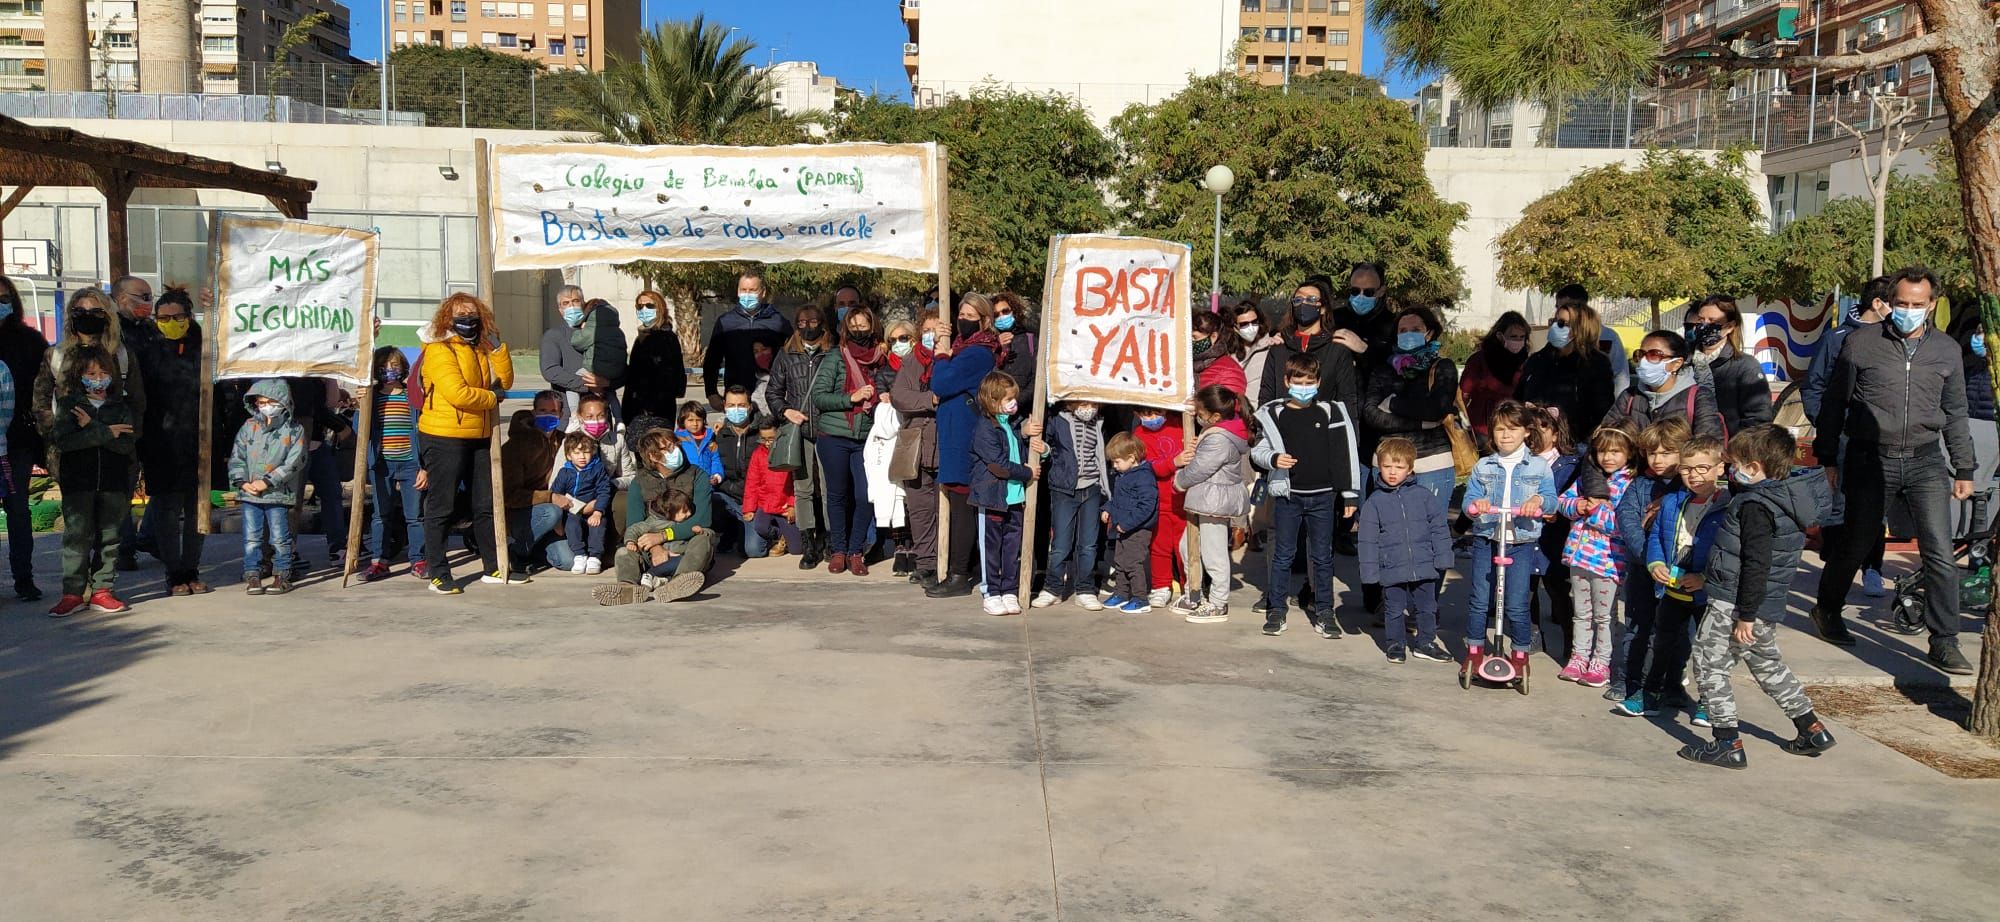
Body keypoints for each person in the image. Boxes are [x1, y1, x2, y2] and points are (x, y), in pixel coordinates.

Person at [1811, 266, 1977, 675]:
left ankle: (1944, 640)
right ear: (1889, 302)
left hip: (1925, 459)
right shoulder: (1860, 343)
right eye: (1901, 303)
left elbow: (1956, 412)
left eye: (1917, 305)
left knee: (1939, 549)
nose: (1908, 311)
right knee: (1856, 540)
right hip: (1870, 458)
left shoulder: (1946, 351)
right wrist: (1828, 456)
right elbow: (1835, 402)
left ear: (1932, 305)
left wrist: (1964, 467)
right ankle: (1827, 609)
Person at [1679, 425, 1837, 769]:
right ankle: (1811, 727)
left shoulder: (1756, 505)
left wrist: (1745, 614)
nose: (1730, 470)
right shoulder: (1786, 498)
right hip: (1765, 602)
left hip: (1736, 603)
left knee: (1709, 664)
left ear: (1753, 467)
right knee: (1767, 664)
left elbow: (1756, 563)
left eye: (1734, 463)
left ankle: (1726, 742)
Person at [1620, 434, 1730, 721]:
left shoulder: (1730, 506)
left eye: (1703, 468)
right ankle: (1650, 694)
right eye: (1687, 469)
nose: (1694, 476)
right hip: (1672, 589)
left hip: (1708, 593)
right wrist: (1655, 561)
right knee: (1660, 644)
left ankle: (1710, 702)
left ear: (1721, 467)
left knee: (1710, 651)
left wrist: (1705, 578)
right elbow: (1657, 535)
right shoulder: (1671, 501)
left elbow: (1730, 552)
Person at [1252, 354, 1363, 637]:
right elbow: (1258, 451)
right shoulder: (1274, 414)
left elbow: (1345, 454)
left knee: (1323, 557)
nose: (1304, 386)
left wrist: (1350, 496)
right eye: (1298, 381)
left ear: (1319, 382)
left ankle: (1325, 611)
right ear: (1287, 382)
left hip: (1324, 498)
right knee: (1283, 554)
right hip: (1289, 497)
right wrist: (1274, 459)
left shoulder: (1331, 412)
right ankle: (1276, 608)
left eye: (1309, 381)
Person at [415, 292, 516, 594]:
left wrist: (498, 348)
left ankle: (493, 565)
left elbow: (507, 381)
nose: (467, 321)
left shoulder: (481, 346)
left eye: (473, 315)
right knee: (442, 506)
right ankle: (438, 571)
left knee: (484, 504)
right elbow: (457, 393)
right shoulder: (439, 349)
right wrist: (492, 398)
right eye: (460, 315)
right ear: (447, 318)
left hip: (480, 435)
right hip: (444, 434)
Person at [1800, 278, 1892, 595]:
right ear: (1878, 304)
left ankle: (1872, 568)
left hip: (1879, 438)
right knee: (1837, 504)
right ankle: (1835, 567)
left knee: (1875, 505)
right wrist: (1827, 423)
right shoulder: (1837, 338)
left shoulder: (1895, 339)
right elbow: (1814, 386)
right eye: (1897, 302)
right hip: (1840, 437)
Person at [1460, 401, 1557, 682]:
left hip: (1521, 541)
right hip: (1487, 537)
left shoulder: (1538, 467)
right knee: (1480, 598)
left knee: (1516, 602)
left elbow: (1551, 499)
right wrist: (1476, 504)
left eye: (1513, 429)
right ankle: (1475, 651)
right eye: (1500, 429)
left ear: (1526, 432)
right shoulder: (1483, 465)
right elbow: (1469, 502)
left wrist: (1537, 501)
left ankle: (1520, 655)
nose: (1505, 435)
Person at [47, 347, 138, 615]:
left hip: (113, 482)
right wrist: (107, 433)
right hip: (79, 482)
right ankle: (72, 593)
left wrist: (93, 428)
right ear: (80, 376)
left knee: (109, 538)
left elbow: (126, 445)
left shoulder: (120, 407)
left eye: (103, 372)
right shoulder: (69, 405)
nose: (98, 378)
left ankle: (102, 590)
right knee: (77, 537)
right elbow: (65, 442)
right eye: (91, 373)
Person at [925, 295, 1003, 599]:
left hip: (965, 438)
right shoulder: (961, 348)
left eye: (971, 314)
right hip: (953, 435)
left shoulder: (978, 354)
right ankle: (957, 568)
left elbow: (941, 384)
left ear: (983, 320)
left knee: (962, 506)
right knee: (957, 503)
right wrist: (944, 347)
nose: (963, 319)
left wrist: (942, 356)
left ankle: (960, 573)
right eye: (961, 313)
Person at [133, 287, 208, 595]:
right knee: (166, 509)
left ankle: (191, 568)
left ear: (189, 317)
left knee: (197, 509)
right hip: (160, 442)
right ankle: (173, 572)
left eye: (178, 317)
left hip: (198, 440)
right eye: (164, 318)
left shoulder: (203, 348)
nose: (172, 322)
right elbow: (140, 398)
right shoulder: (147, 351)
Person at [810, 305, 894, 576]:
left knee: (864, 495)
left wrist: (885, 396)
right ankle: (838, 550)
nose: (859, 331)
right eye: (854, 326)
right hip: (834, 435)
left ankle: (856, 550)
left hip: (868, 438)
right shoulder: (836, 357)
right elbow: (819, 397)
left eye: (864, 326)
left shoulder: (882, 358)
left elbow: (892, 386)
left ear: (873, 327)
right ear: (846, 329)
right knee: (836, 494)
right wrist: (851, 398)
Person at [1356, 437, 1454, 663]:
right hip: (1392, 565)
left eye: (1399, 467)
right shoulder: (1374, 502)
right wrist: (1369, 573)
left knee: (1427, 608)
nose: (1392, 472)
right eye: (1387, 466)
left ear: (1410, 468)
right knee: (1393, 609)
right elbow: (1367, 540)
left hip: (1424, 563)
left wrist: (1443, 556)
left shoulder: (1424, 497)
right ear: (1378, 467)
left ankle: (1426, 642)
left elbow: (1439, 528)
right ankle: (1395, 644)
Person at [1612, 418, 1689, 701]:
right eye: (1653, 453)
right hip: (1643, 567)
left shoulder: (1689, 485)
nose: (1658, 460)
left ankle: (1671, 682)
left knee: (1675, 632)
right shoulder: (1642, 483)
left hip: (1678, 570)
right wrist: (1648, 556)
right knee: (1637, 624)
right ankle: (1630, 680)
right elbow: (1627, 516)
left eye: (1667, 452)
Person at [1556, 426, 1637, 688]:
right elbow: (1562, 501)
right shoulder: (1589, 480)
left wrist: (1594, 513)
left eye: (1615, 451)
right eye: (1602, 451)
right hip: (1578, 558)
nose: (1608, 457)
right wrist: (1578, 505)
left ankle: (1601, 662)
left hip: (1607, 563)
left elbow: (1623, 525)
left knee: (1604, 617)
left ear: (1629, 453)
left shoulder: (1629, 485)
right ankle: (1578, 657)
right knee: (1580, 613)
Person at [1360, 306, 1458, 505]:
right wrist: (1420, 423)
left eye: (1415, 329)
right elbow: (1371, 414)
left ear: (1429, 333)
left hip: (1433, 462)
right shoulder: (1383, 370)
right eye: (1403, 331)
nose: (1408, 334)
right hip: (1388, 462)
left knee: (1431, 531)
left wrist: (1393, 403)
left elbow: (1436, 410)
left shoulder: (1443, 367)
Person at [1170, 384, 1251, 623]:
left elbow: (1200, 469)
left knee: (1213, 553)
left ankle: (1218, 603)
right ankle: (1193, 593)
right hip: (1205, 499)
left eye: (1200, 412)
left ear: (1215, 416)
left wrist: (1179, 481)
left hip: (1215, 501)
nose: (1197, 415)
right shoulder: (1220, 429)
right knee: (1189, 547)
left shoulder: (1221, 439)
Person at [968, 371, 1043, 615]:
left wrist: (1025, 436)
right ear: (992, 400)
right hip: (992, 498)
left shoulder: (1009, 425)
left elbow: (1015, 448)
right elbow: (998, 465)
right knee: (991, 548)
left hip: (1014, 498)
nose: (1013, 403)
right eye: (1008, 398)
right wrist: (1026, 472)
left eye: (1014, 398)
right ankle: (991, 592)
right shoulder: (984, 428)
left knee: (1011, 549)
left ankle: (1009, 590)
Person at [766, 305, 834, 568]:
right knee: (803, 489)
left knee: (830, 490)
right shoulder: (786, 355)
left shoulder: (833, 352)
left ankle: (830, 540)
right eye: (802, 322)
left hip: (828, 429)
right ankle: (808, 543)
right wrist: (786, 411)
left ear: (822, 323)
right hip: (800, 431)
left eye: (814, 321)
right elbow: (773, 392)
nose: (808, 326)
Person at [228, 379, 307, 599]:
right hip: (249, 494)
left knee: (280, 536)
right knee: (251, 537)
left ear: (283, 402)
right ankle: (252, 573)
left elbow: (295, 461)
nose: (265, 406)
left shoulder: (294, 430)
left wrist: (268, 481)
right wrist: (241, 482)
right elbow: (237, 457)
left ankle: (282, 572)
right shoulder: (248, 427)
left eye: (270, 401)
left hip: (278, 494)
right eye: (261, 402)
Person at [360, 346, 427, 582]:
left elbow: (423, 431)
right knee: (380, 515)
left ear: (403, 368)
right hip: (382, 463)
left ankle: (418, 559)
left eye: (395, 365)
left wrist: (424, 467)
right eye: (385, 366)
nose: (390, 370)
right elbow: (362, 431)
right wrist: (362, 402)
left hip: (410, 462)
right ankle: (379, 561)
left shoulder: (412, 396)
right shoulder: (373, 397)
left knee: (415, 515)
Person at [1035, 398, 1107, 610]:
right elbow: (1049, 446)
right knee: (1060, 544)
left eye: (1093, 404)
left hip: (1092, 488)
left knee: (1088, 544)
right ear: (1070, 403)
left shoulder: (1100, 423)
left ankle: (1085, 589)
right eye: (1083, 404)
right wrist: (1044, 449)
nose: (1089, 409)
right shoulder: (1058, 420)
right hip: (1064, 489)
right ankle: (1052, 588)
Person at [0, 274, 47, 601]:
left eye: (4, 298)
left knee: (17, 509)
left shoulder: (29, 341)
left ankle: (24, 577)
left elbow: (44, 386)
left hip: (16, 441)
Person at [891, 314, 945, 585]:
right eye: (926, 330)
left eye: (936, 330)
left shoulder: (952, 358)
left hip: (945, 443)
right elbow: (899, 396)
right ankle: (926, 561)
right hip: (915, 443)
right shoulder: (913, 361)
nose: (931, 335)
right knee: (920, 508)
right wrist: (930, 399)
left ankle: (949, 559)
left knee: (945, 507)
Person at [1516, 300, 1614, 440]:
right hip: (1533, 439)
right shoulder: (1537, 359)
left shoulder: (1596, 364)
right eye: (1554, 321)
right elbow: (1519, 398)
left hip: (1572, 444)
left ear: (1580, 328)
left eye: (1562, 323)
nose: (1555, 326)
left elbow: (1602, 411)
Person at [1602, 330, 1724, 439]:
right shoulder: (1629, 396)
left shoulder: (1698, 397)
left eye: (1654, 355)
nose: (1644, 361)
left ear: (1676, 363)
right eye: (1640, 354)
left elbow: (1709, 445)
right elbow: (1604, 440)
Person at [592, 489, 706, 606]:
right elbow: (634, 529)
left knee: (688, 558)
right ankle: (627, 586)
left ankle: (669, 584)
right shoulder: (653, 523)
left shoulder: (685, 522)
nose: (689, 514)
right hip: (652, 560)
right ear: (670, 512)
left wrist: (696, 532)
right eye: (685, 511)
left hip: (675, 559)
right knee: (623, 552)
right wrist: (630, 541)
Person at [1684, 295, 1774, 436]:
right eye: (1701, 320)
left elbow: (1758, 421)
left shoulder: (1745, 366)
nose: (1704, 325)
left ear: (1730, 327)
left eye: (1712, 321)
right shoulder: (1683, 362)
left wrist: (1735, 452)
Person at [704, 268, 793, 411]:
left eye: (752, 290)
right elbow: (712, 360)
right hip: (737, 397)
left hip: (770, 397)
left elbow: (792, 357)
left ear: (763, 292)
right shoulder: (726, 322)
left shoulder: (778, 322)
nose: (747, 294)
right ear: (738, 291)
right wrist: (711, 393)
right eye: (743, 289)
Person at [1949, 307, 1998, 539]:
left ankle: (1981, 548)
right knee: (1969, 487)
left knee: (1987, 490)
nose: (1980, 339)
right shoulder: (1974, 367)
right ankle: (1966, 540)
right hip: (1970, 419)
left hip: (1992, 423)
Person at [1132, 406, 1187, 610]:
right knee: (1159, 547)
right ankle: (1161, 586)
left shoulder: (1180, 423)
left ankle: (1189, 585)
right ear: (1137, 414)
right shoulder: (1139, 434)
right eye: (1147, 414)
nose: (1153, 418)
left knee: (1184, 548)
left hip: (1184, 500)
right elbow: (1149, 467)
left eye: (1157, 413)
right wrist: (1174, 462)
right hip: (1158, 500)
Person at [541, 286, 626, 417]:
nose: (571, 306)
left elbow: (622, 368)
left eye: (575, 301)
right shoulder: (554, 335)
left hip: (600, 415)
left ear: (583, 303)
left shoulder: (601, 331)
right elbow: (550, 370)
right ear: (560, 310)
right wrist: (587, 385)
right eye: (566, 303)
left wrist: (608, 383)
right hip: (569, 414)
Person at [503, 393, 564, 572]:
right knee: (550, 513)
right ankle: (517, 550)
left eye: (553, 411)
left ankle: (533, 547)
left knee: (567, 560)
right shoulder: (517, 445)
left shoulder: (564, 440)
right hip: (521, 513)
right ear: (533, 412)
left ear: (561, 415)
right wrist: (549, 497)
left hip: (559, 513)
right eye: (542, 410)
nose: (548, 415)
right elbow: (509, 495)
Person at [1101, 432, 1158, 614]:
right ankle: (1121, 593)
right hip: (1122, 528)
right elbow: (1119, 499)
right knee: (1120, 561)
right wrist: (1108, 508)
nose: (1114, 466)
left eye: (1117, 461)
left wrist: (1127, 523)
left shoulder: (1143, 477)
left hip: (1137, 530)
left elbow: (1146, 506)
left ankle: (1140, 598)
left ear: (1132, 458)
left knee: (1133, 563)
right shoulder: (1123, 476)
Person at [1460, 311, 1531, 446]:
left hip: (1514, 427)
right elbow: (1463, 394)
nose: (1517, 341)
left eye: (1522, 337)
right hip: (1482, 429)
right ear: (1500, 336)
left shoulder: (1526, 362)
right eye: (1513, 336)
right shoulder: (1480, 359)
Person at [708, 386, 763, 555]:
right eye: (731, 405)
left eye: (741, 405)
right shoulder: (718, 434)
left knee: (753, 550)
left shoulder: (763, 432)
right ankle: (730, 529)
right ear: (724, 406)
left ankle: (771, 532)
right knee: (709, 500)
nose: (736, 410)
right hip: (728, 497)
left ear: (750, 407)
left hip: (755, 501)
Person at [550, 432, 613, 574]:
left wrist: (598, 511)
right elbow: (556, 494)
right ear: (568, 455)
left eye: (586, 452)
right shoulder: (565, 472)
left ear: (593, 452)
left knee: (598, 525)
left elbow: (604, 491)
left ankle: (595, 557)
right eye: (577, 453)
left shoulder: (598, 469)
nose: (582, 457)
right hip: (573, 510)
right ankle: (579, 555)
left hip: (593, 508)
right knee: (571, 524)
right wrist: (558, 521)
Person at [622, 289, 685, 425]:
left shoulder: (666, 337)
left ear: (659, 308)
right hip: (636, 407)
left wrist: (651, 405)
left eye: (649, 306)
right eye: (640, 306)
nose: (644, 309)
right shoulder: (642, 336)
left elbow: (671, 375)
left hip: (656, 410)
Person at [741, 418, 802, 557]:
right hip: (765, 503)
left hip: (785, 506)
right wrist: (749, 508)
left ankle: (788, 537)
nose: (767, 443)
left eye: (771, 439)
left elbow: (797, 482)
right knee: (760, 527)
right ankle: (779, 536)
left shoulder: (789, 452)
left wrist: (793, 505)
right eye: (764, 439)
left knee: (797, 549)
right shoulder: (758, 454)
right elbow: (752, 482)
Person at [1232, 300, 1279, 406]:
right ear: (1235, 328)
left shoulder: (1272, 347)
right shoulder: (1230, 354)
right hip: (1237, 414)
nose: (1250, 327)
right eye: (1244, 324)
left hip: (1261, 412)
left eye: (1254, 322)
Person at [992, 292, 1038, 394]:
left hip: (1023, 405)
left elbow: (1036, 379)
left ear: (1014, 311)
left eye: (1005, 311)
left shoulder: (1030, 341)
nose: (1001, 316)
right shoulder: (991, 344)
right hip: (997, 405)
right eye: (996, 315)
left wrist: (1015, 401)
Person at [1192, 310, 1247, 394]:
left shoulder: (1229, 371)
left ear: (1213, 337)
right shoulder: (1181, 364)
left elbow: (1231, 403)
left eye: (1195, 337)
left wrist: (1197, 404)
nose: (1190, 342)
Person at [673, 399, 723, 486]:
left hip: (706, 483)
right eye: (690, 420)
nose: (695, 424)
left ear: (703, 420)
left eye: (698, 420)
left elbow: (715, 459)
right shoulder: (678, 439)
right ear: (683, 421)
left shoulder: (711, 438)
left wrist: (716, 475)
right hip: (684, 483)